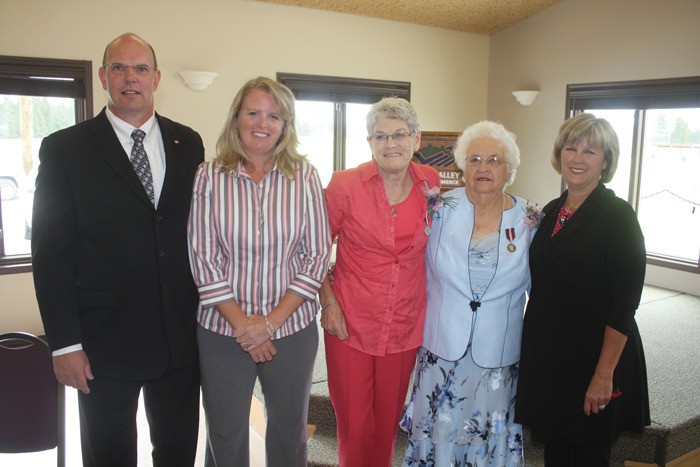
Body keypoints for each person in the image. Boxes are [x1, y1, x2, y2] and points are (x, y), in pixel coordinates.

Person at [31, 33, 203, 466]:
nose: (131, 78)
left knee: (179, 452)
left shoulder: (189, 143)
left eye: (141, 68)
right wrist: (64, 344)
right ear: (104, 77)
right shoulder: (65, 149)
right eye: (119, 68)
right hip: (102, 344)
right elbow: (50, 254)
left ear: (156, 78)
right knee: (108, 456)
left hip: (179, 341)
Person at [187, 76, 331, 467]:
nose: (262, 123)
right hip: (222, 331)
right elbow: (203, 259)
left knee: (289, 432)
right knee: (224, 432)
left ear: (286, 126)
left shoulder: (305, 176)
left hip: (291, 330)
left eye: (274, 116)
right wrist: (246, 327)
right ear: (236, 119)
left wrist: (268, 324)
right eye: (253, 112)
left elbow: (316, 255)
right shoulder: (209, 176)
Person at [515, 113, 650, 466]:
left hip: (595, 355)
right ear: (559, 154)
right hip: (553, 357)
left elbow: (625, 304)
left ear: (606, 162)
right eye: (571, 148)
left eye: (590, 152)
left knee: (589, 451)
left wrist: (603, 375)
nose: (577, 158)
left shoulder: (618, 216)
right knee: (557, 449)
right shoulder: (551, 211)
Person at [401, 121, 535, 466]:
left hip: (497, 357)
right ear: (462, 166)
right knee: (441, 434)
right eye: (474, 159)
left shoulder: (530, 219)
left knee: (488, 439)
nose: (483, 167)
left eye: (494, 160)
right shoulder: (440, 209)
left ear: (510, 170)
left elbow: (543, 289)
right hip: (441, 351)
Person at [318, 97, 440, 467]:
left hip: (404, 325)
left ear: (416, 140)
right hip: (350, 324)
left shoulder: (430, 183)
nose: (391, 144)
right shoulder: (345, 185)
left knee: (387, 424)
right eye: (380, 136)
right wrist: (329, 303)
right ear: (369, 142)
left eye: (399, 135)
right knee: (355, 426)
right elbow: (312, 250)